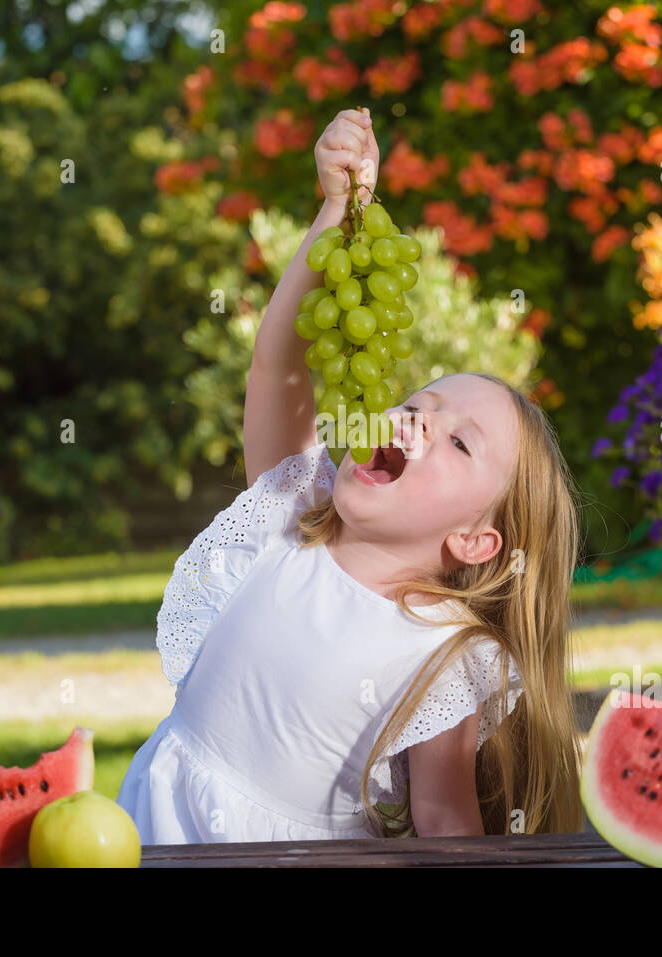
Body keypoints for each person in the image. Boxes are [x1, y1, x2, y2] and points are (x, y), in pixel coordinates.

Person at [117, 108, 584, 844]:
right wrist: (336, 212)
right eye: (419, 402)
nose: (420, 420)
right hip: (149, 836)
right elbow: (279, 366)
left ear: (476, 542)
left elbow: (445, 823)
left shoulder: (447, 654)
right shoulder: (287, 516)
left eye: (459, 441)